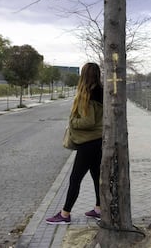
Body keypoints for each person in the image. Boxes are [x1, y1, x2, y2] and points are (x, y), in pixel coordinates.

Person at [46, 62, 103, 225]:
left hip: (88, 144)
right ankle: (99, 209)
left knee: (75, 179)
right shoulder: (101, 91)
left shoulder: (89, 95)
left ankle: (65, 214)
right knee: (96, 176)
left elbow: (88, 121)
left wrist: (72, 122)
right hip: (98, 142)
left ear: (84, 76)